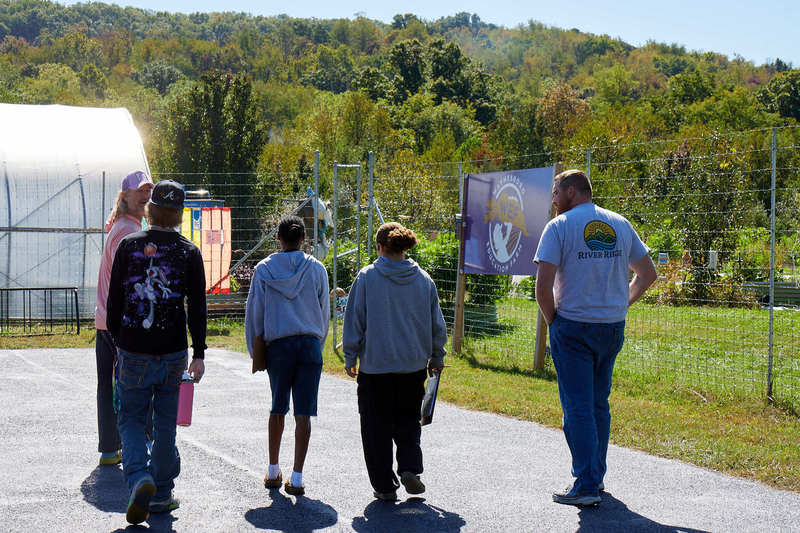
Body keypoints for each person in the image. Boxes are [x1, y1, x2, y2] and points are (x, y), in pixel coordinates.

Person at [534, 169, 657, 507]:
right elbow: (648, 274)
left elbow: (542, 287)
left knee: (577, 407)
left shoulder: (558, 227)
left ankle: (586, 484)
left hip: (572, 326)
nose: (554, 201)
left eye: (557, 193)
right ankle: (596, 477)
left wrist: (553, 321)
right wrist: (621, 303)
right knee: (598, 404)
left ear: (572, 192)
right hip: (611, 326)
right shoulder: (619, 223)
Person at [107, 180, 207, 524]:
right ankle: (161, 494)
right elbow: (197, 306)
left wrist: (120, 342)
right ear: (179, 214)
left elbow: (114, 302)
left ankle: (139, 478)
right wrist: (199, 352)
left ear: (150, 208)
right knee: (166, 423)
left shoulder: (128, 245)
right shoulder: (189, 251)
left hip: (133, 347)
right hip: (173, 351)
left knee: (132, 418)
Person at [342, 222, 447, 502]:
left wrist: (350, 354)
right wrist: (437, 356)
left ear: (380, 247)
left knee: (375, 428)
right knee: (408, 421)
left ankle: (385, 487)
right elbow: (438, 324)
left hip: (376, 368)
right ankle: (410, 468)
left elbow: (355, 320)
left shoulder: (366, 278)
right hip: (412, 367)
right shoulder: (424, 280)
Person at [245, 215, 330, 496]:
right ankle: (297, 475)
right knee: (303, 412)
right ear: (303, 240)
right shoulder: (316, 269)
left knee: (277, 406)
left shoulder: (264, 270)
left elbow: (255, 312)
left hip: (278, 344)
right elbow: (324, 312)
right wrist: (319, 341)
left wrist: (254, 347)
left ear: (279, 239)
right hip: (308, 344)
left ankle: (272, 470)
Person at [94, 170, 153, 466]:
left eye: (148, 190)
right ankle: (140, 448)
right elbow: (130, 282)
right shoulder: (129, 231)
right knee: (138, 383)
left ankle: (108, 449)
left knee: (108, 384)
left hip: (105, 319)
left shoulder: (119, 225)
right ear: (125, 195)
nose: (145, 195)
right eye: (140, 191)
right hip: (121, 324)